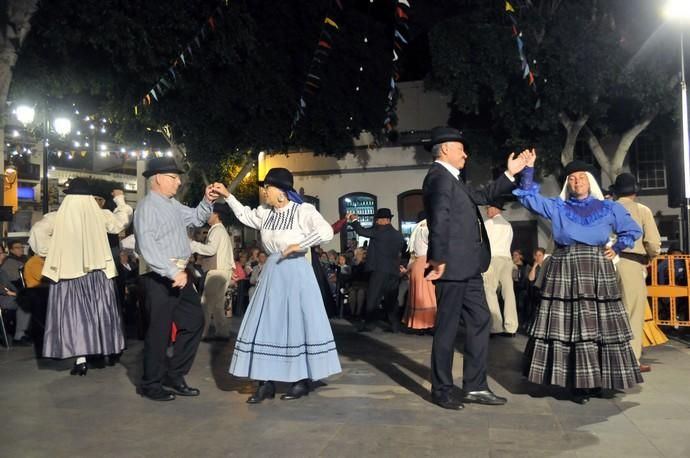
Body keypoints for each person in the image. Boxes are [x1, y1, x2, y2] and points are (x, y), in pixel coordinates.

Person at [514, 153, 643, 404]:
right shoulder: (558, 206)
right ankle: (576, 383)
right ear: (567, 184)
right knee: (569, 326)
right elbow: (528, 197)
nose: (577, 182)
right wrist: (528, 170)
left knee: (598, 327)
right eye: (572, 179)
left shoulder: (609, 207)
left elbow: (632, 230)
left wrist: (616, 248)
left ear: (590, 182)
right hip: (565, 266)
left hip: (596, 267)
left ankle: (597, 381)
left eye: (581, 178)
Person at [216, 167, 341, 403]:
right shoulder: (265, 213)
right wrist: (227, 195)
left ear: (281, 192)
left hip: (296, 273)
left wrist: (300, 244)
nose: (264, 192)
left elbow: (325, 231)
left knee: (296, 323)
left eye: (268, 188)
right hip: (273, 272)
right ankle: (265, 383)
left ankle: (301, 380)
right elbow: (244, 215)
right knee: (265, 323)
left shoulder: (302, 210)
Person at [423, 126, 524, 410]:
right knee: (447, 329)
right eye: (460, 149)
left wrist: (510, 172)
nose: (465, 154)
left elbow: (484, 196)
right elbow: (438, 220)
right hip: (451, 266)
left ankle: (475, 386)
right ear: (444, 150)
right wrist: (439, 258)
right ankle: (442, 389)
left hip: (469, 267)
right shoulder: (438, 178)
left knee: (481, 319)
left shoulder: (454, 179)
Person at [134, 157, 220, 401]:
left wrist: (207, 200)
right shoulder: (147, 208)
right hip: (161, 277)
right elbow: (148, 246)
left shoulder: (172, 205)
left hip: (179, 275)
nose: (179, 182)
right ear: (158, 178)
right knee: (159, 333)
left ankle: (175, 374)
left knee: (194, 323)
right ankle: (150, 384)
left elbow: (196, 218)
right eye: (173, 177)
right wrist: (173, 273)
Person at [41, 177, 132, 375]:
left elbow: (36, 237)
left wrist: (59, 252)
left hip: (68, 275)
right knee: (98, 314)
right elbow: (120, 223)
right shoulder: (100, 215)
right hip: (98, 273)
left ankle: (80, 359)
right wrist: (120, 201)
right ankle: (101, 351)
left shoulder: (56, 217)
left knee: (74, 317)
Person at [611, 172, 663, 372]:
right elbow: (652, 242)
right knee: (632, 313)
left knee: (609, 311)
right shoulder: (641, 210)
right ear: (635, 190)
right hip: (631, 262)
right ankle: (630, 359)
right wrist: (651, 256)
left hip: (605, 262)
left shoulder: (607, 208)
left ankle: (608, 355)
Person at [347, 208, 405, 333]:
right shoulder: (398, 234)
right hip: (393, 271)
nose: (376, 222)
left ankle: (369, 325)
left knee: (373, 298)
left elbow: (361, 231)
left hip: (379, 270)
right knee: (391, 300)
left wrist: (354, 220)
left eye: (377, 219)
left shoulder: (379, 231)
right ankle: (394, 325)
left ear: (384, 220)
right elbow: (403, 251)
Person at [190, 203, 235, 340]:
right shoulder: (222, 231)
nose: (206, 215)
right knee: (217, 305)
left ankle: (202, 333)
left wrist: (192, 244)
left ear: (215, 214)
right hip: (224, 270)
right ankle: (222, 332)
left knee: (206, 303)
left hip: (216, 271)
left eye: (209, 212)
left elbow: (210, 250)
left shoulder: (216, 231)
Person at [482, 200, 518, 337]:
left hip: (493, 259)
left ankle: (496, 326)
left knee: (490, 291)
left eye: (488, 208)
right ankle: (511, 327)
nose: (487, 211)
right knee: (509, 293)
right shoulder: (508, 225)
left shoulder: (488, 223)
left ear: (495, 209)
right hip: (507, 259)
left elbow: (484, 244)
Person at [402, 212, 436, 332]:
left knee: (417, 295)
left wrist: (408, 269)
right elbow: (433, 244)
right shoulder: (425, 229)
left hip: (417, 265)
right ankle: (428, 323)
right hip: (425, 263)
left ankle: (418, 323)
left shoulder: (416, 230)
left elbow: (413, 254)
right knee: (427, 295)